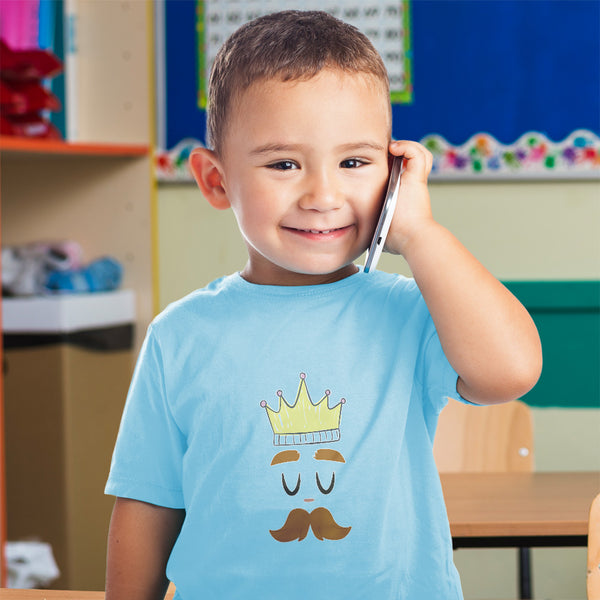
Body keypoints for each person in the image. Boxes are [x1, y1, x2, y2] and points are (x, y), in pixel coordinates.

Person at [105, 10, 542, 600]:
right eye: (283, 164)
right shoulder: (180, 334)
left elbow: (511, 372)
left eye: (355, 163)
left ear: (392, 174)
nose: (323, 196)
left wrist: (418, 234)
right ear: (216, 181)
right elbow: (149, 502)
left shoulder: (412, 312)